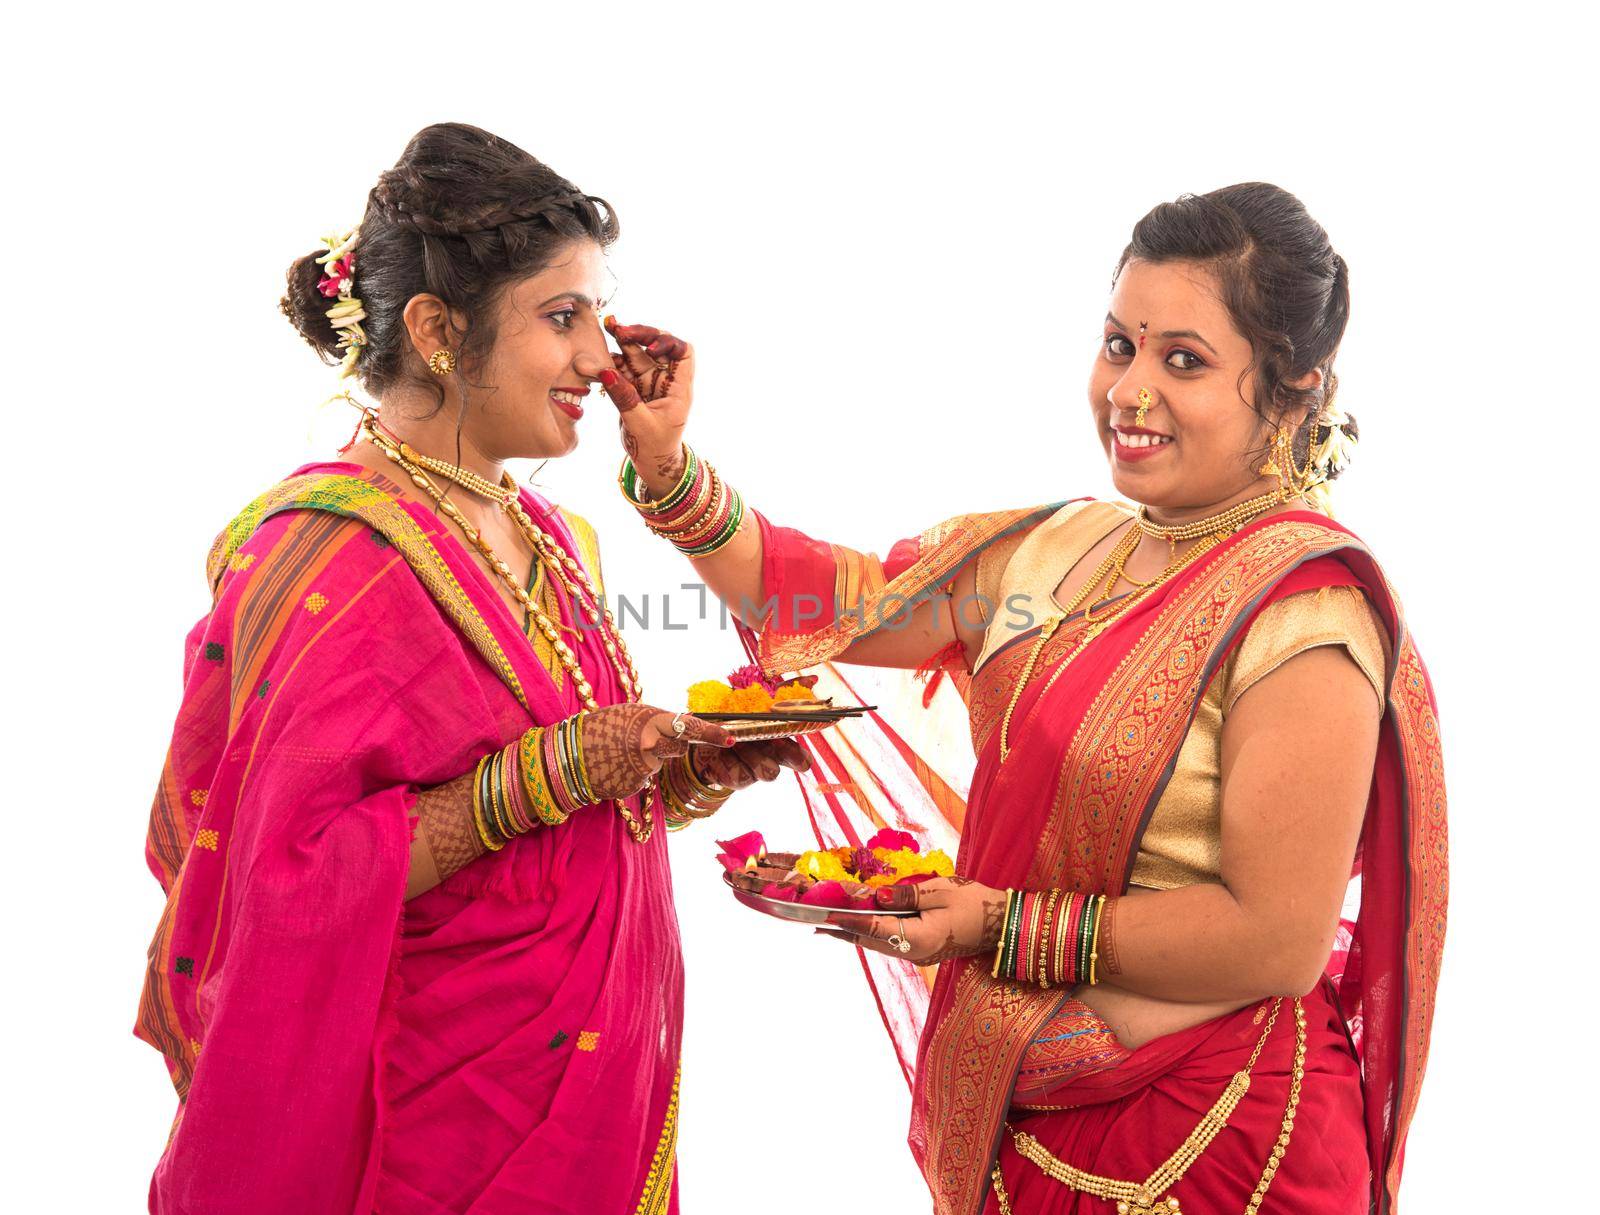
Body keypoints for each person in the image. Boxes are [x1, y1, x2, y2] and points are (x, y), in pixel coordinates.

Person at [599, 183, 1446, 1214]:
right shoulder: (1064, 547)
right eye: (1118, 343)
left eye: (1184, 360)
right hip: (1030, 1120)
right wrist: (667, 466)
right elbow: (841, 601)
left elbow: (1275, 938)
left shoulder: (1302, 612)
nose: (1129, 391)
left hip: (1219, 1145)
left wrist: (997, 927)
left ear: (1293, 388)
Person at [132, 122, 809, 1214]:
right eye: (561, 317)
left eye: (597, 312)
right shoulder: (330, 553)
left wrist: (678, 769)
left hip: (592, 1081)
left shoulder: (552, 535)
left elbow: (557, 811)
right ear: (440, 331)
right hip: (435, 1123)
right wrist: (547, 776)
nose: (600, 356)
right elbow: (289, 874)